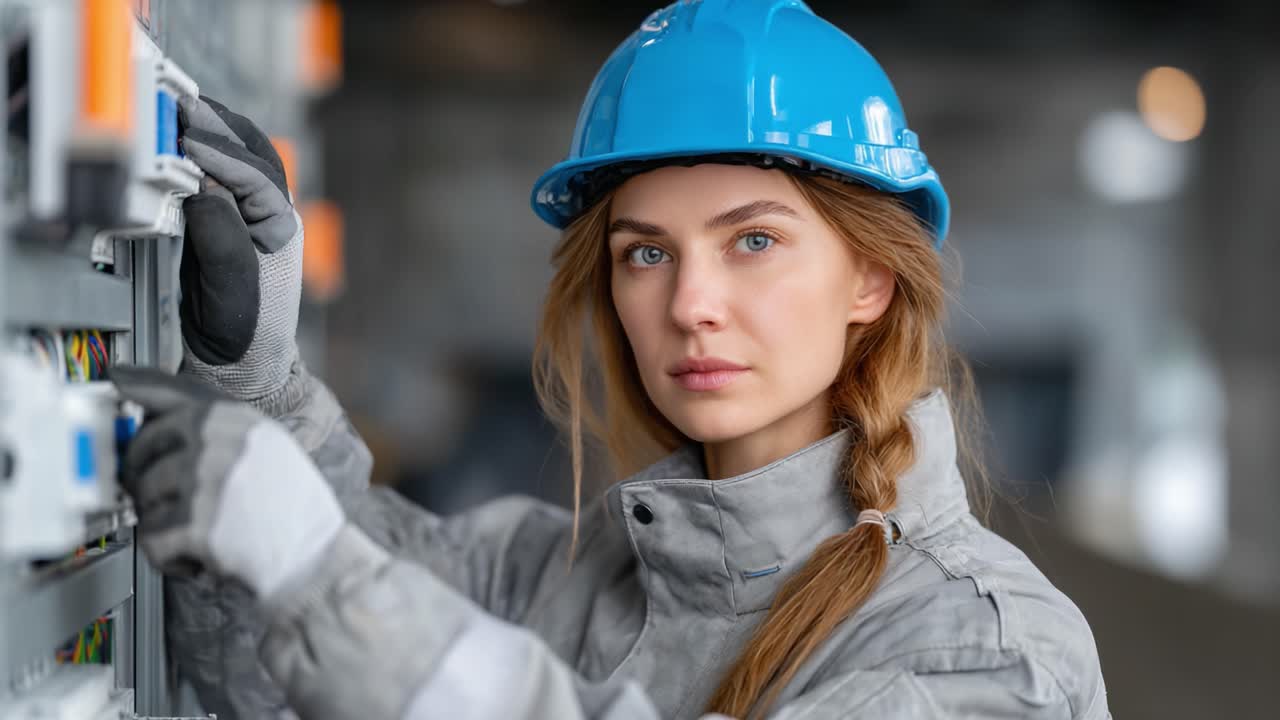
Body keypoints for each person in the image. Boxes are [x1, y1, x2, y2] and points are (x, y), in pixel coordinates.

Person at [110, 1, 1110, 718]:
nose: (688, 305)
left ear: (870, 281)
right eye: (645, 253)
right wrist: (255, 367)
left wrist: (315, 575)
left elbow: (339, 589)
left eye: (752, 240)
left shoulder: (983, 655)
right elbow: (276, 659)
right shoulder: (558, 577)